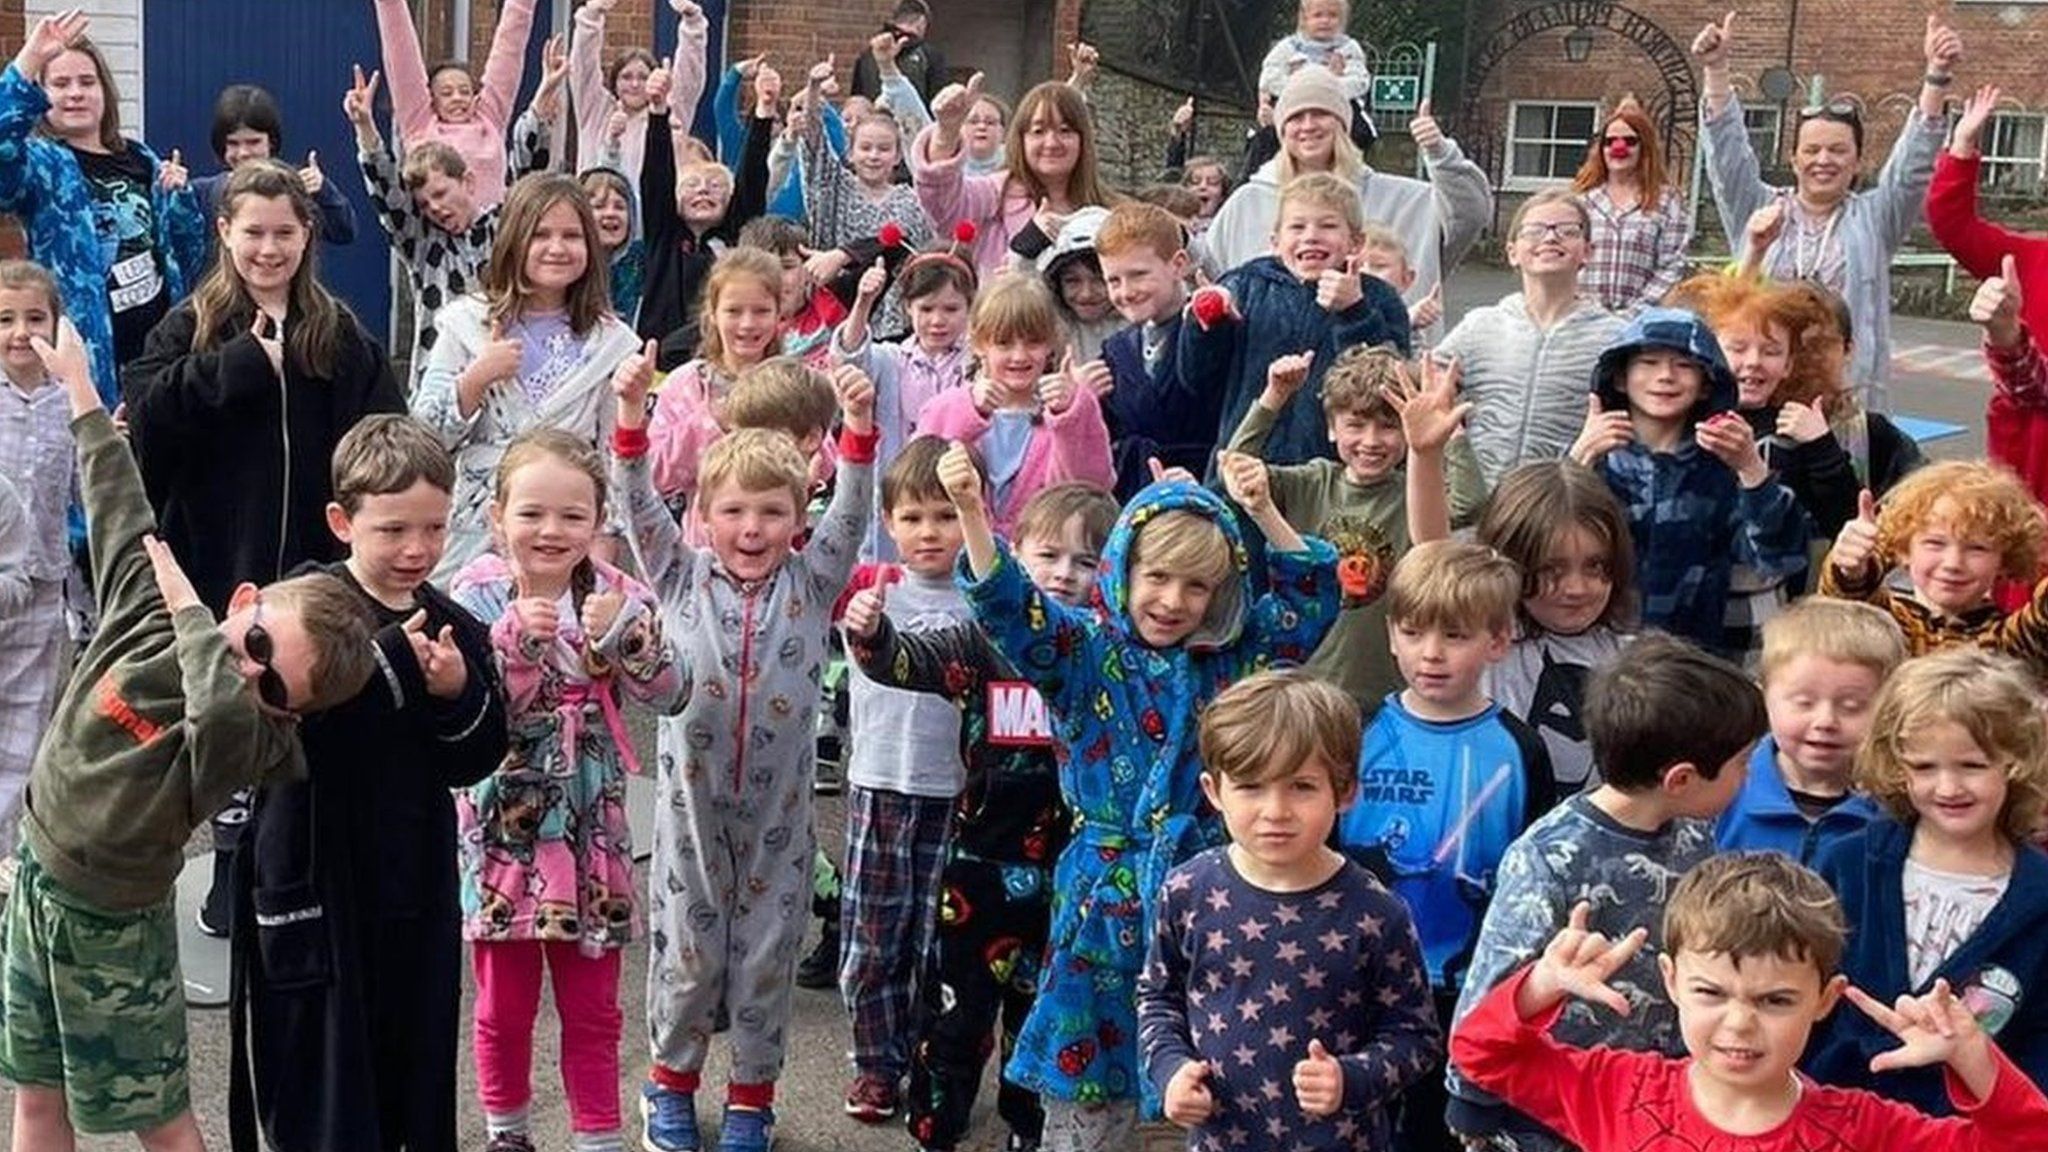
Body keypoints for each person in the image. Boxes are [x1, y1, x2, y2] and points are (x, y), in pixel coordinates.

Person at [0, 318, 376, 1152]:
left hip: (113, 927)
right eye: (256, 647)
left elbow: (216, 704)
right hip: (37, 885)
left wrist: (195, 619)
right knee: (35, 1099)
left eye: (278, 686)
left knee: (160, 1118)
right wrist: (81, 393)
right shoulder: (150, 615)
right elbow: (114, 495)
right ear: (243, 601)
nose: (251, 674)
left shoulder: (254, 741)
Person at [947, 441, 1340, 1151]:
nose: (1173, 601)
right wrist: (973, 513)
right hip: (1103, 899)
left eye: (1197, 587)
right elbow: (1009, 609)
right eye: (1158, 577)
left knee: (1213, 1077)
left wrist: (1262, 510)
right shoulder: (1086, 652)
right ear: (1123, 567)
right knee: (1091, 1095)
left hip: (1210, 897)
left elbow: (1310, 599)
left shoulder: (1235, 660)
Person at [613, 344, 880, 1152]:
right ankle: (668, 1086)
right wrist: (631, 416)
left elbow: (855, 511)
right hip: (692, 812)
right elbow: (634, 504)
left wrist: (860, 427)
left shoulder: (813, 580)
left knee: (766, 957)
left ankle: (751, 1102)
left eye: (771, 511)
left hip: (779, 814)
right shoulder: (679, 574)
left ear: (799, 518)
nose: (751, 527)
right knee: (689, 956)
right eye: (732, 511)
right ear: (703, 515)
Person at [227, 415, 509, 1152]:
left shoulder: (450, 624)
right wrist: (389, 667)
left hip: (410, 886)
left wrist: (456, 695)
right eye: (392, 530)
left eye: (434, 528)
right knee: (318, 1071)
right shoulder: (301, 606)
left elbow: (477, 757)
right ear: (341, 521)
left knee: (409, 1065)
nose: (416, 549)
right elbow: (277, 725)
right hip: (313, 875)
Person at [843, 480, 1117, 1152]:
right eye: (1049, 555)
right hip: (979, 869)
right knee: (959, 1011)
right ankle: (939, 1122)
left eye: (1087, 561)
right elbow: (909, 661)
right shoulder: (980, 639)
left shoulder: (1108, 655)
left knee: (1040, 1015)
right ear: (1013, 556)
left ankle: (1027, 1127)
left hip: (1069, 871)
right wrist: (873, 635)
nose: (1065, 573)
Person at [1452, 851, 2048, 1150]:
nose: (1739, 1023)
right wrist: (1540, 987)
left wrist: (1974, 1058)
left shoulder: (1863, 1129)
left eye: (1775, 1001)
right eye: (1711, 992)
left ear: (1825, 999)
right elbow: (1480, 1055)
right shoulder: (1616, 1088)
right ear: (1670, 979)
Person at [451, 429, 687, 1152]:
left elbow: (671, 694)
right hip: (504, 824)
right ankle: (506, 1132)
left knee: (593, 1005)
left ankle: (598, 1136)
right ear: (498, 517)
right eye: (532, 513)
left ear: (597, 521)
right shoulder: (474, 593)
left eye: (572, 515)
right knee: (503, 1004)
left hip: (591, 823)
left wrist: (629, 639)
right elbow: (473, 710)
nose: (551, 530)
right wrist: (513, 644)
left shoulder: (619, 594)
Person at [1443, 634, 1764, 1151]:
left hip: (1651, 1108)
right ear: (1681, 778)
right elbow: (1491, 990)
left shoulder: (1695, 837)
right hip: (1547, 1112)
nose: (1748, 778)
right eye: (1742, 765)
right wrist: (1472, 1103)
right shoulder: (1549, 856)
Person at [1139, 669, 1442, 1152]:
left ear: (1344, 792)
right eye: (1251, 786)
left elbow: (1416, 1035)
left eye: (1301, 786)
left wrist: (1352, 1078)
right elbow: (1158, 998)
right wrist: (1170, 1070)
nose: (1275, 810)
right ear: (1214, 791)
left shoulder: (1376, 910)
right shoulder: (1186, 890)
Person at [124, 160, 406, 621]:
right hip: (211, 572)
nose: (269, 249)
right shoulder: (189, 327)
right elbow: (147, 417)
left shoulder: (339, 334)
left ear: (307, 233)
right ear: (225, 230)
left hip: (318, 576)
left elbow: (384, 437)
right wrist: (237, 366)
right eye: (254, 232)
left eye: (284, 233)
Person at [1342, 540, 1552, 1152]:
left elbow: (1529, 876)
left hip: (1459, 983)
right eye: (1414, 632)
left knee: (1436, 1132)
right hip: (1358, 975)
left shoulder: (1519, 748)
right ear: (1390, 635)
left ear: (1497, 641)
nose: (1431, 654)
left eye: (1455, 636)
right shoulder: (1359, 732)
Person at [1809, 647, 2048, 1112]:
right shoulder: (1846, 860)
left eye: (1972, 766)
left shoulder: (2040, 897)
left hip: (1958, 1134)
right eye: (1924, 766)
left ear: (2015, 762)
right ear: (1897, 765)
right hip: (1828, 1117)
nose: (1948, 787)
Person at [1694, 9, 1960, 411]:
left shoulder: (1875, 218)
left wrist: (1936, 76)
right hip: (1760, 385)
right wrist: (1716, 69)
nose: (1824, 160)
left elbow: (1912, 169)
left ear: (1856, 162)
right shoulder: (1760, 209)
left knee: (1838, 472)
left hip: (1845, 392)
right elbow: (1727, 157)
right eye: (1812, 150)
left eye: (1838, 150)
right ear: (1794, 158)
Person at [833, 437, 975, 1123]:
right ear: (888, 521)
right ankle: (874, 1067)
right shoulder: (870, 588)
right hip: (878, 788)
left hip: (955, 795)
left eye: (946, 516)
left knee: (934, 946)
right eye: (914, 517)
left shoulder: (985, 597)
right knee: (871, 943)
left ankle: (926, 1063)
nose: (929, 533)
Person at [413, 173, 643, 582]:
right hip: (476, 530)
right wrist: (476, 379)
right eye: (540, 235)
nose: (556, 248)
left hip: (565, 535)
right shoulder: (467, 322)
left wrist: (603, 548)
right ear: (514, 240)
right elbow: (424, 439)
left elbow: (613, 459)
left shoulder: (612, 342)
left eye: (571, 236)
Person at [1230, 346, 1481, 705]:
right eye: (1356, 425)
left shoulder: (1413, 491)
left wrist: (1448, 428)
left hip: (1387, 689)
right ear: (1332, 428)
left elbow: (1471, 502)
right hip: (1307, 684)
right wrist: (1275, 395)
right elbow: (1236, 467)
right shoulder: (1312, 481)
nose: (1372, 441)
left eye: (1388, 426)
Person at [1569, 306, 1808, 657]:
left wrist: (1752, 470)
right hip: (1594, 652)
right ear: (1620, 377)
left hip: (1694, 661)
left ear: (1705, 385)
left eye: (1684, 365)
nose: (1665, 376)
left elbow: (1779, 560)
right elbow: (1534, 544)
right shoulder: (1594, 461)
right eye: (1648, 363)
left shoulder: (1722, 467)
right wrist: (1577, 462)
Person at [0, 11, 206, 407]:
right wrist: (27, 62)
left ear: (105, 92)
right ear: (42, 98)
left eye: (86, 82)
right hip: (86, 372)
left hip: (160, 363)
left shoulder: (144, 160)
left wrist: (180, 204)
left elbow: (189, 259)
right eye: (60, 84)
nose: (75, 92)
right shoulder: (41, 166)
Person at [1203, 68, 1490, 343]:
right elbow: (1208, 274)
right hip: (1270, 377)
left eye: (1320, 113)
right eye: (1296, 116)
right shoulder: (1247, 203)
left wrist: (1441, 154)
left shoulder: (1406, 201)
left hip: (1382, 370)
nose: (1308, 125)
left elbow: (1469, 213)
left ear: (1343, 124)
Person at [1182, 171, 1411, 471]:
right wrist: (1206, 325)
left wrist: (1354, 312)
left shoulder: (1377, 298)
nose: (1311, 235)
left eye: (1328, 226)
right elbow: (1196, 379)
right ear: (1275, 241)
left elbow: (1387, 386)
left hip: (1335, 477)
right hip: (1247, 464)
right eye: (1297, 226)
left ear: (1356, 243)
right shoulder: (1245, 285)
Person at [346, 64, 555, 379]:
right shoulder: (422, 243)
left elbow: (528, 170)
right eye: (425, 203)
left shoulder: (505, 226)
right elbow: (387, 192)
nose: (435, 207)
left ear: (468, 183)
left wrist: (544, 93)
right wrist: (365, 127)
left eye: (441, 193)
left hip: (508, 375)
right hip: (440, 375)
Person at [1463, 462, 1637, 796]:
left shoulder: (1628, 655)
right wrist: (1425, 455)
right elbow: (1432, 549)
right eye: (1551, 568)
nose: (1576, 588)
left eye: (1595, 566)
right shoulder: (1492, 638)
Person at [1442, 189, 1626, 487]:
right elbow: (1424, 386)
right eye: (1535, 230)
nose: (1550, 238)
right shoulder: (1479, 326)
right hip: (1482, 504)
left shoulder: (1614, 337)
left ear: (1588, 251)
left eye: (1567, 231)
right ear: (1512, 252)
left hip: (1563, 506)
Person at [914, 274, 1115, 538]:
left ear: (1050, 344)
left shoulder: (1072, 408)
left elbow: (1089, 494)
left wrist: (1070, 416)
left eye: (1033, 342)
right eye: (1004, 343)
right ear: (979, 344)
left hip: (1042, 564)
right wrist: (969, 411)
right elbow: (918, 484)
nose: (1019, 355)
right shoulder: (945, 407)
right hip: (959, 564)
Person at [1928, 83, 2048, 506]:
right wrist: (1962, 147)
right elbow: (1953, 224)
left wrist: (2010, 341)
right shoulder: (2033, 258)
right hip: (2024, 480)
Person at [1714, 598, 1905, 863]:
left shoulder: (1897, 808)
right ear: (1764, 698)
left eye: (1852, 706)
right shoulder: (1723, 791)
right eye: (1804, 703)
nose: (1825, 721)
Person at [1818, 460, 2048, 664]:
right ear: (1904, 549)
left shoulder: (2009, 644)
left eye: (1977, 548)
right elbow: (1844, 611)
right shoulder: (1887, 626)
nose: (1953, 563)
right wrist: (1853, 568)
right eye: (1935, 543)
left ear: (2005, 560)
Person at [834, 234, 977, 552]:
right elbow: (850, 357)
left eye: (951, 309)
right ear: (907, 308)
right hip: (898, 493)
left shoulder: (976, 362)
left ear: (970, 306)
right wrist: (863, 303)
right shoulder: (891, 359)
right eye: (926, 309)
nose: (937, 320)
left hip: (956, 487)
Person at [0, 261, 72, 874]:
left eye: (34, 318)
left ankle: (5, 852)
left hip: (44, 578)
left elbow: (81, 487)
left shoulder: (67, 399)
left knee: (25, 716)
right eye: (5, 319)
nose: (20, 333)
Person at [636, 55, 772, 356]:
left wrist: (763, 114)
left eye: (714, 187)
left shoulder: (736, 237)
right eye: (692, 186)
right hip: (660, 356)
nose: (703, 192)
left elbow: (752, 180)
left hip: (721, 354)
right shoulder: (664, 235)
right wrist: (658, 112)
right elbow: (656, 177)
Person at [913, 79, 1113, 281]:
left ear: (1083, 139)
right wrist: (946, 133)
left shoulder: (1111, 211)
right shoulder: (994, 193)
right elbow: (943, 204)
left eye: (1065, 130)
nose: (1052, 143)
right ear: (1021, 139)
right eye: (1038, 131)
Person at [646, 248, 789, 506]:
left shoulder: (794, 383)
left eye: (761, 311)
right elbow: (654, 473)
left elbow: (823, 463)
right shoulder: (686, 383)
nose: (747, 324)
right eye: (734, 311)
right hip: (702, 539)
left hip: (777, 534)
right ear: (713, 314)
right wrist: (710, 420)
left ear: (779, 314)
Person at [1095, 201, 1212, 500]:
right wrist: (1081, 400)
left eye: (1138, 274)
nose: (1126, 291)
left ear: (1178, 264)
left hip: (1205, 489)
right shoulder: (1116, 351)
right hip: (1135, 494)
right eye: (1113, 280)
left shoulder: (1213, 330)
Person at [371, 0, 536, 210]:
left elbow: (509, 49)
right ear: (432, 100)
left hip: (490, 235)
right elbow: (401, 52)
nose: (457, 98)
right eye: (447, 93)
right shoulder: (420, 126)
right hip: (434, 237)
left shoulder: (489, 120)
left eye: (465, 91)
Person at [194, 84, 356, 246]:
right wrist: (175, 194)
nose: (243, 153)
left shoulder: (297, 186)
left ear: (271, 142)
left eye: (253, 142)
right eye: (233, 143)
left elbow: (344, 232)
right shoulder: (202, 193)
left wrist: (322, 191)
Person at [571, 0, 707, 191]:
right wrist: (591, 16)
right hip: (597, 211)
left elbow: (689, 77)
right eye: (626, 77)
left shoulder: (668, 115)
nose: (634, 84)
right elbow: (583, 68)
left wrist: (692, 22)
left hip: (651, 216)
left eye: (643, 77)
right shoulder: (596, 110)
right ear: (614, 82)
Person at [1571, 98, 1690, 315]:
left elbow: (1672, 264)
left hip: (1639, 322)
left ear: (1644, 147)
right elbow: (1568, 259)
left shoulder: (1667, 201)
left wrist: (1636, 312)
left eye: (1629, 140)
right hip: (1583, 316)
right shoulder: (1582, 201)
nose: (1619, 147)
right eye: (1610, 141)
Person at [1256, 0, 1370, 109]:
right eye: (1318, 15)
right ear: (1305, 19)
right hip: (1294, 104)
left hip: (1338, 106)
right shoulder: (1288, 47)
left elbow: (1360, 81)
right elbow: (1268, 79)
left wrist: (1329, 87)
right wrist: (1302, 87)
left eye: (1332, 15)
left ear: (1342, 20)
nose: (1325, 21)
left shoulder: (1348, 48)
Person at [852, 0, 948, 106]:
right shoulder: (929, 56)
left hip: (873, 120)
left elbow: (857, 99)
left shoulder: (868, 55)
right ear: (921, 22)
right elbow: (939, 102)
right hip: (916, 121)